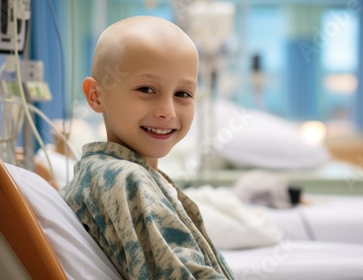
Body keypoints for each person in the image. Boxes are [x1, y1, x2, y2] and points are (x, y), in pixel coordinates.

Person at [59, 16, 235, 279]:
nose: (167, 111)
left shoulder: (113, 173)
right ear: (96, 96)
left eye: (183, 94)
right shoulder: (125, 180)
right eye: (146, 89)